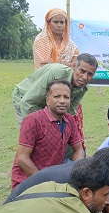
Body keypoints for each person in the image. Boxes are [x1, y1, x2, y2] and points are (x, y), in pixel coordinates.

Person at [10, 80, 84, 190]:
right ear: (47, 100)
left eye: (66, 97)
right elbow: (22, 158)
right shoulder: (33, 120)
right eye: (57, 96)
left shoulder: (69, 120)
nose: (62, 101)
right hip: (27, 181)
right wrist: (45, 184)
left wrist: (76, 171)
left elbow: (79, 149)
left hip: (54, 179)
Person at [33, 8, 87, 153]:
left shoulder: (69, 43)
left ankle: (72, 153)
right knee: (49, 122)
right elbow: (46, 65)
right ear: (48, 23)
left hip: (70, 89)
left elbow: (77, 63)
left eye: (62, 22)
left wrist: (58, 64)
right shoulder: (41, 41)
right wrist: (66, 65)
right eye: (55, 22)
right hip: (47, 87)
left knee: (71, 120)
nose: (59, 25)